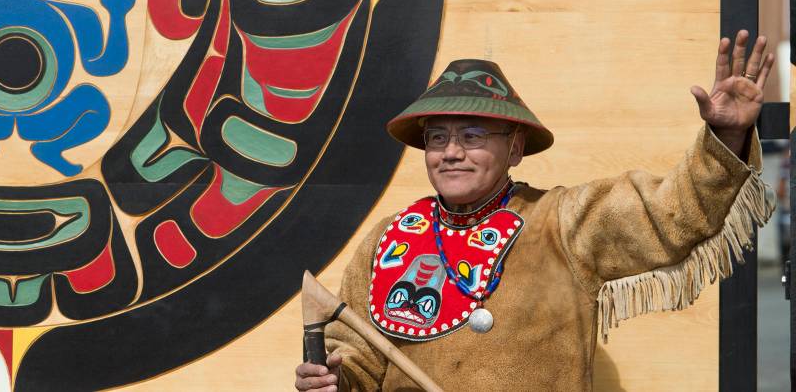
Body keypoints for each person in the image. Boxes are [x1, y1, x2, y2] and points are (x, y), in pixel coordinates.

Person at [295, 31, 775, 391]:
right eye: (437, 137)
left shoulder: (563, 222)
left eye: (472, 135)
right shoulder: (391, 239)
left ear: (515, 148)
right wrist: (333, 380)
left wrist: (726, 137)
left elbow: (670, 212)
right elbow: (353, 357)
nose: (451, 152)